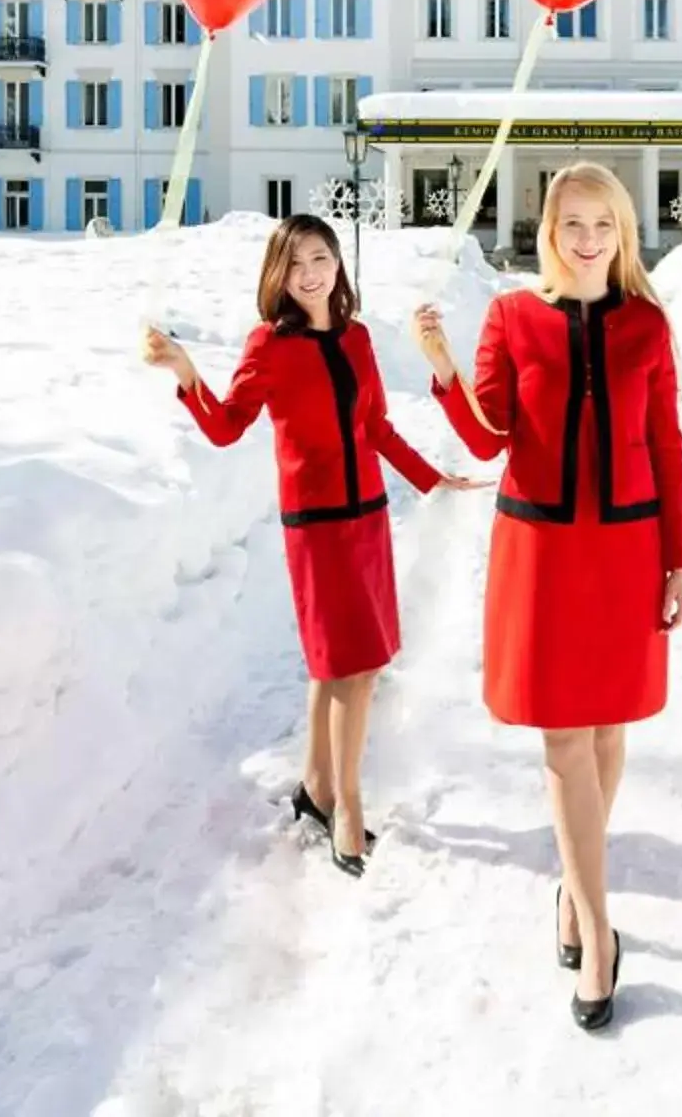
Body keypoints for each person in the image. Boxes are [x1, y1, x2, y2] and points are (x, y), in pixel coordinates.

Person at [413, 163, 682, 1032]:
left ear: (622, 229)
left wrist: (680, 557)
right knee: (565, 737)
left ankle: (575, 893)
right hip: (539, 548)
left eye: (601, 222)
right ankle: (600, 934)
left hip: (627, 547)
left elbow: (666, 441)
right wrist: (444, 369)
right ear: (549, 229)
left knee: (609, 732)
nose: (586, 237)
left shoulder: (648, 323)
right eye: (571, 222)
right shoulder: (511, 317)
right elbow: (489, 437)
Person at [144, 215, 484, 878]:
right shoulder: (268, 347)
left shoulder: (356, 339)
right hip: (318, 527)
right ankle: (349, 806)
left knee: (356, 663)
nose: (310, 272)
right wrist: (186, 372)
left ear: (337, 265)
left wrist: (431, 476)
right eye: (296, 261)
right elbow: (225, 427)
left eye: (321, 257)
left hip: (369, 520)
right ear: (278, 273)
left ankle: (316, 788)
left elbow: (377, 427)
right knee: (347, 664)